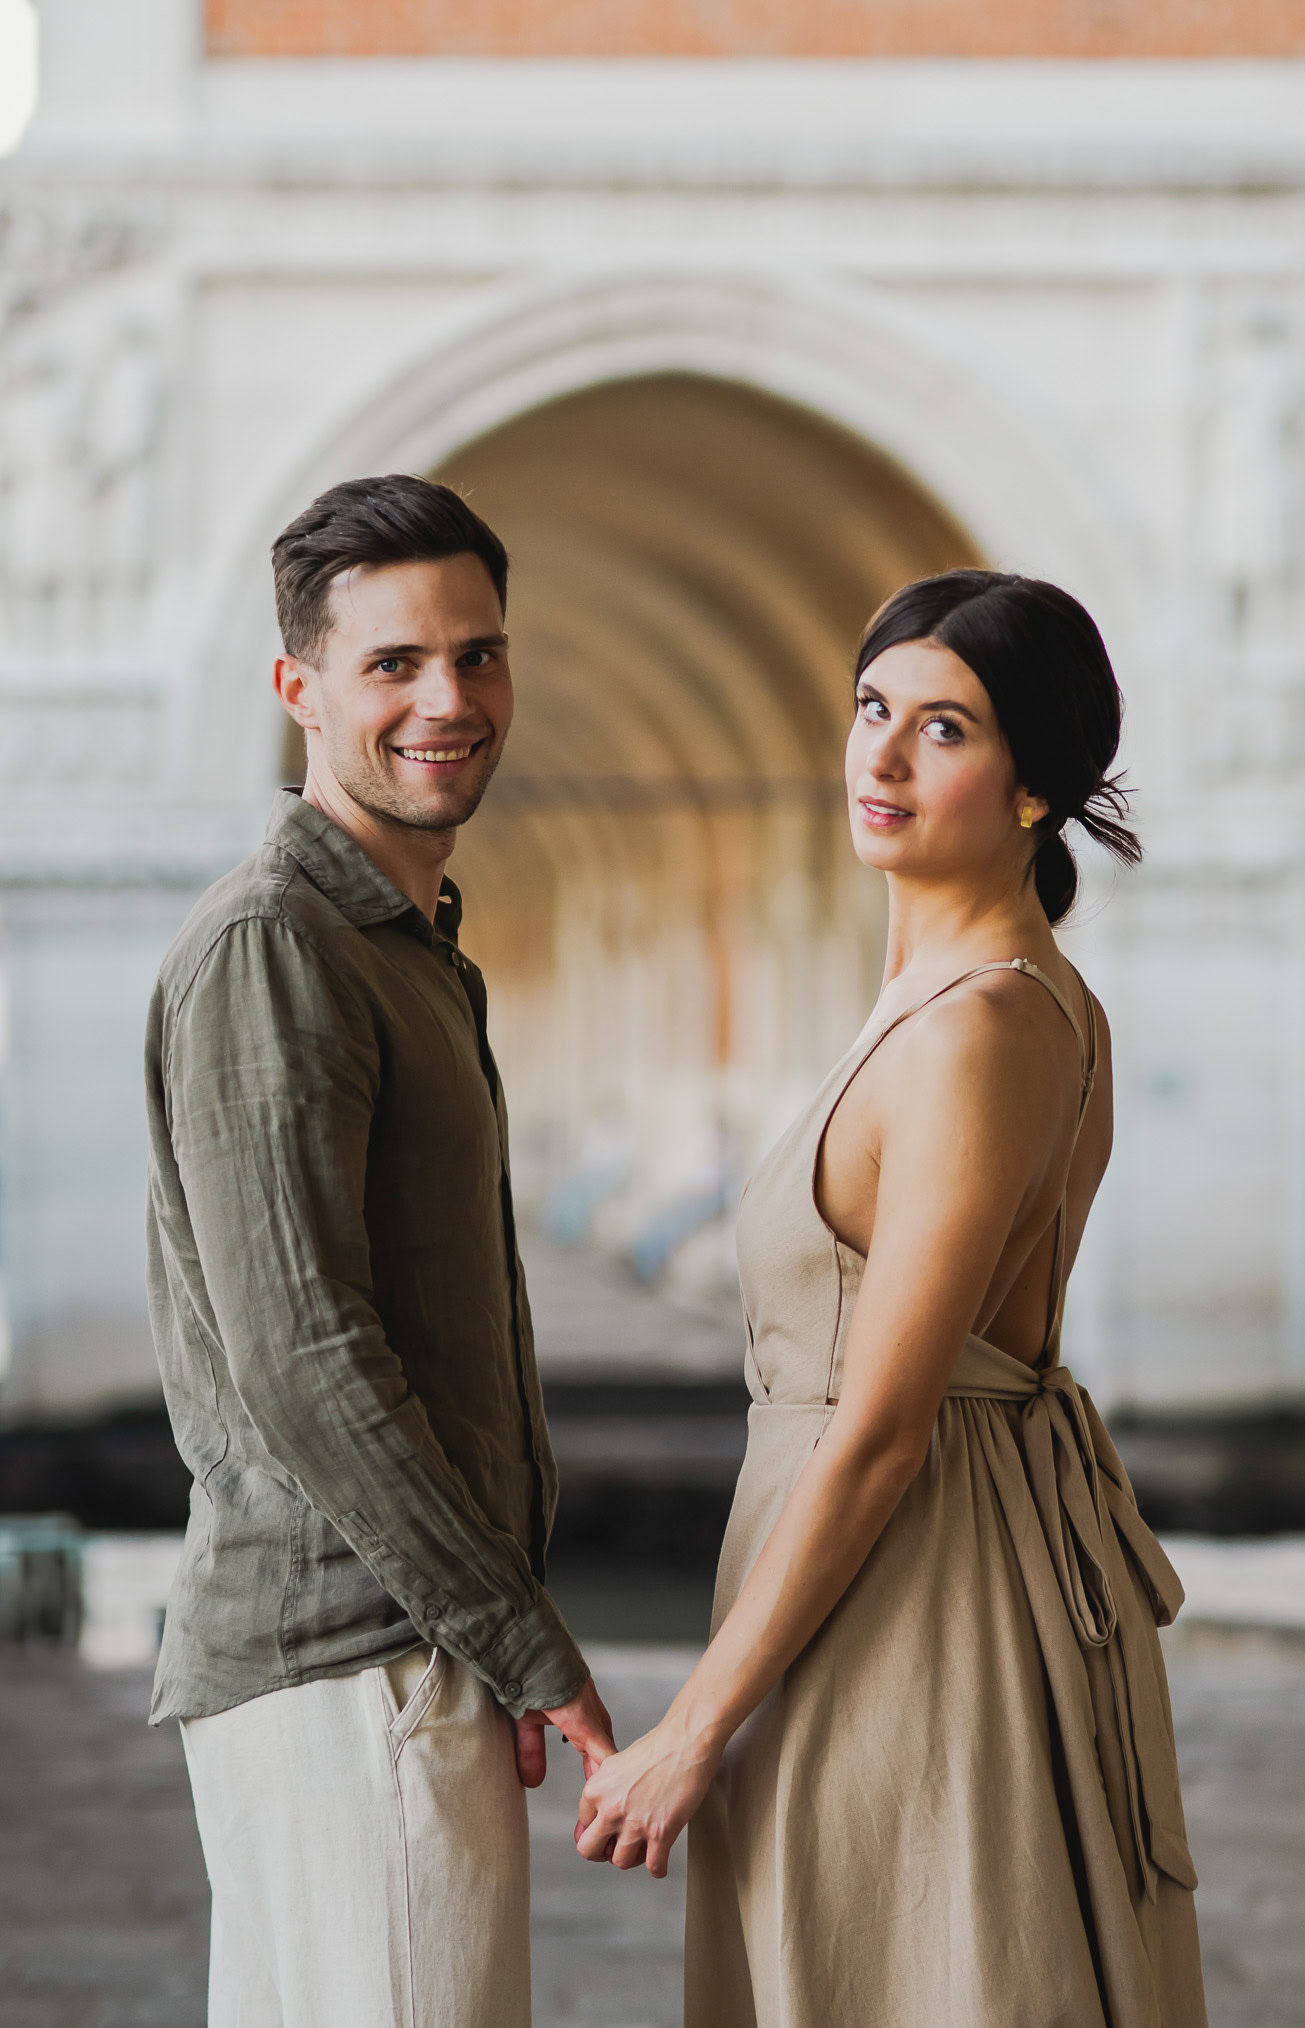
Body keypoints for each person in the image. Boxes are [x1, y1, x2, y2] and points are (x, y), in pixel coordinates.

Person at [575, 570, 1209, 2027]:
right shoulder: (981, 998)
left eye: (944, 728)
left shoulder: (982, 1027)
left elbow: (885, 1428)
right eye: (873, 709)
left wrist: (692, 1727)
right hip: (881, 1575)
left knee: (912, 1969)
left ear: (1033, 786)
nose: (882, 755)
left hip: (911, 1596)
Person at [144, 474, 615, 2028]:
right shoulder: (280, 942)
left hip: (397, 1657)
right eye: (394, 665)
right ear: (299, 688)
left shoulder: (401, 948)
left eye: (478, 656)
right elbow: (308, 1362)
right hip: (357, 1666)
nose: (449, 699)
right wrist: (520, 1643)